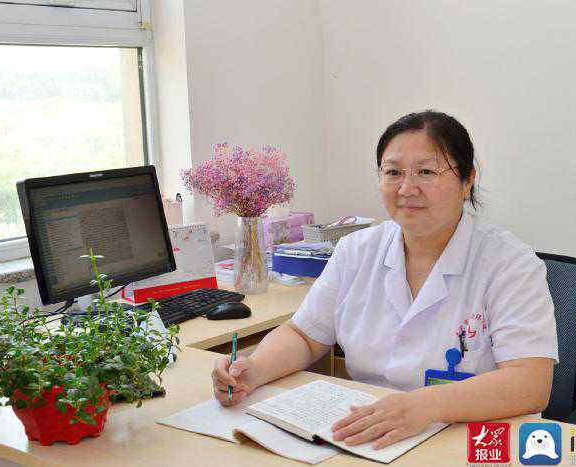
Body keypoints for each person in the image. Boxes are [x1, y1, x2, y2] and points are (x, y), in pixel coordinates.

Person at [212, 110, 558, 450]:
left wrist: (425, 406)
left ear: (467, 180)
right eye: (393, 172)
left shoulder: (510, 264)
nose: (407, 188)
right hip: (368, 438)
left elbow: (530, 383)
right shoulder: (356, 250)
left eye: (426, 172)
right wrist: (254, 370)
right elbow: (304, 335)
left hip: (469, 439)